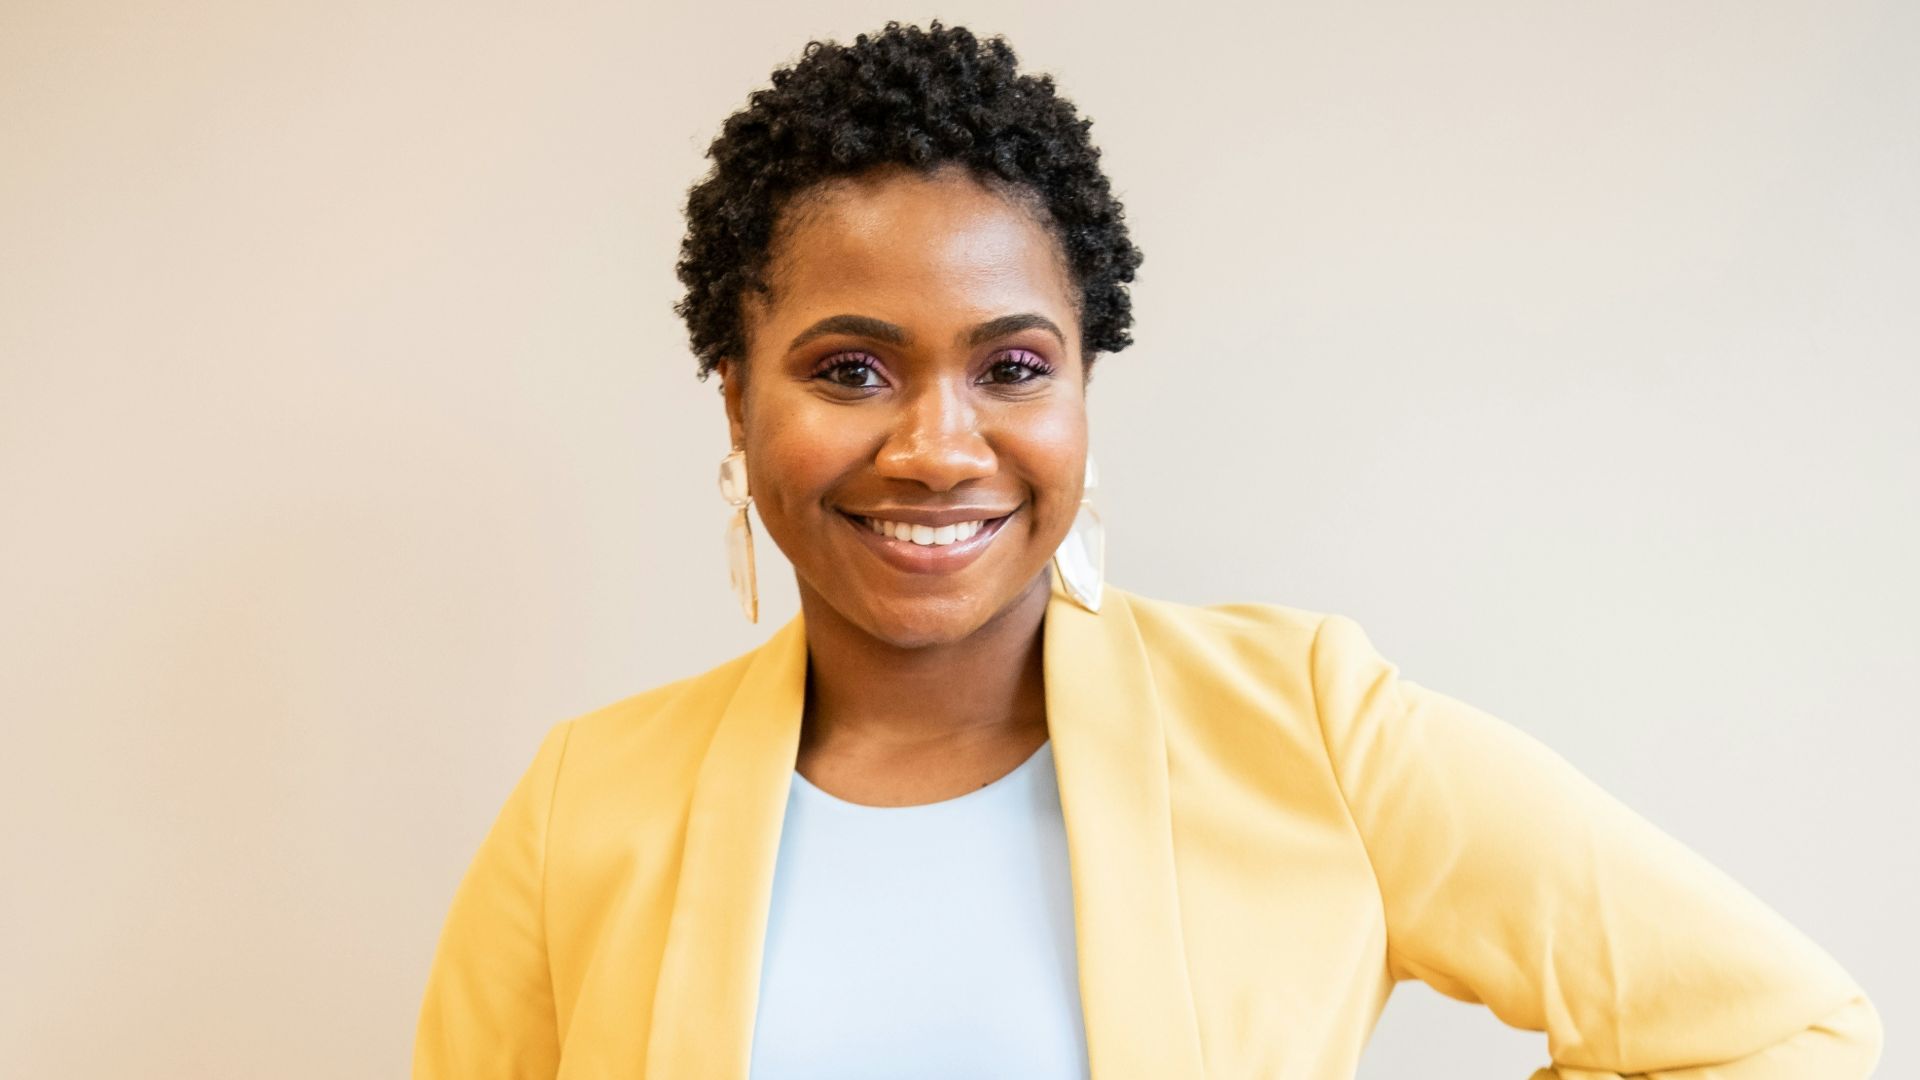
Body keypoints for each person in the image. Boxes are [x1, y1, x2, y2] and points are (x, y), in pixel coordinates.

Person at [413, 21, 1882, 1079]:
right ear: (737, 398)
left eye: (1013, 367)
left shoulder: (1306, 726)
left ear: (1082, 393)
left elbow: (1783, 1032)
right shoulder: (582, 808)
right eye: (851, 369)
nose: (938, 446)